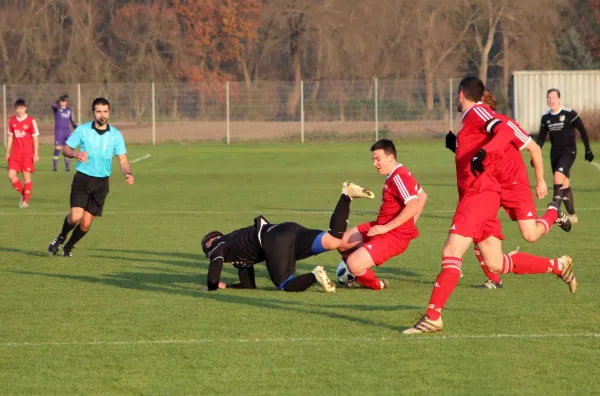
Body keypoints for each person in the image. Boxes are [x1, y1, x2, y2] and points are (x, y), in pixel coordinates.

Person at [403, 77, 576, 335]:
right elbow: (478, 149)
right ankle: (559, 266)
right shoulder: (469, 120)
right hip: (487, 192)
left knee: (452, 251)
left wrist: (536, 179)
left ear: (461, 94)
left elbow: (508, 135)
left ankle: (433, 316)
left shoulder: (477, 111)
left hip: (483, 193)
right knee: (495, 265)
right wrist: (460, 147)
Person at [447, 88, 571, 289]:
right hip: (489, 186)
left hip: (513, 186)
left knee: (530, 235)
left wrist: (540, 180)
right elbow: (478, 153)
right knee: (476, 227)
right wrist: (457, 146)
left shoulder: (503, 122)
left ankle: (553, 212)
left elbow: (534, 148)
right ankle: (493, 279)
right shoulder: (477, 125)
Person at [200, 182, 375, 292]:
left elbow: (213, 274)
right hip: (288, 229)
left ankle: (314, 275)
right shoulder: (237, 252)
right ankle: (346, 196)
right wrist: (228, 286)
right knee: (333, 241)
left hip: (275, 241)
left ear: (210, 243)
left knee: (285, 285)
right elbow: (248, 286)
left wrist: (213, 286)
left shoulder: (218, 244)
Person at [335, 139, 428, 290]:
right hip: (382, 226)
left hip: (393, 235)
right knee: (341, 242)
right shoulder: (397, 173)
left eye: (378, 159)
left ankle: (377, 284)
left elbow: (413, 205)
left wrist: (390, 228)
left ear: (391, 157)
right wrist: (410, 223)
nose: (375, 164)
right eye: (373, 160)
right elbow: (422, 196)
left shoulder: (399, 177)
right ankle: (360, 273)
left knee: (353, 263)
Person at [47, 97, 134, 257]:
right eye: (99, 111)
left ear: (109, 112)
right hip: (83, 179)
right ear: (93, 112)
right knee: (75, 217)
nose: (102, 115)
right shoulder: (83, 130)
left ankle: (69, 247)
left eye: (105, 111)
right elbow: (66, 149)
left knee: (86, 223)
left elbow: (122, 159)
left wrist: (128, 173)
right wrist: (75, 154)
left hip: (101, 184)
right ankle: (60, 237)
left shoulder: (115, 135)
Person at [537, 88, 594, 224]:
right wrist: (536, 156)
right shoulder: (546, 118)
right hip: (554, 153)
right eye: (549, 98)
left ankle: (553, 212)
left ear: (559, 99)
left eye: (553, 98)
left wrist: (588, 149)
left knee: (557, 178)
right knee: (564, 184)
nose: (551, 100)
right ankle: (572, 215)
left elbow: (583, 131)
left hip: (569, 152)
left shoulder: (569, 114)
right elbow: (540, 140)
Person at [5, 99, 40, 208]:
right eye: (17, 108)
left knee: (26, 178)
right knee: (11, 175)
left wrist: (36, 154)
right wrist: (7, 152)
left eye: (21, 108)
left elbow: (35, 139)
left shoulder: (31, 120)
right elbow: (10, 137)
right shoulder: (12, 121)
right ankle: (23, 194)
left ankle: (26, 202)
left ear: (25, 108)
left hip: (27, 153)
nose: (19, 110)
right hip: (15, 153)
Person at [51, 94, 77, 171]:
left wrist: (76, 127)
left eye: (65, 101)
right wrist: (57, 101)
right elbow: (53, 105)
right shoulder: (57, 109)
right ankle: (55, 167)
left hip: (67, 131)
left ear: (66, 102)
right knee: (58, 148)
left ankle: (67, 167)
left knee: (67, 148)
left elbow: (71, 120)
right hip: (59, 131)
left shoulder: (69, 110)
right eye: (62, 101)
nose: (63, 103)